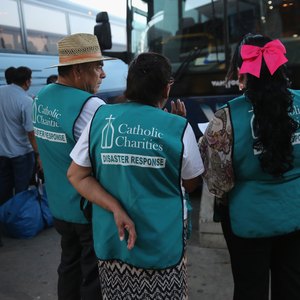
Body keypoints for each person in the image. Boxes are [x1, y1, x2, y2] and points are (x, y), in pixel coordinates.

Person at [67, 52, 204, 299]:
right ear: (166, 89)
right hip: (162, 245)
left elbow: (76, 175)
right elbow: (191, 183)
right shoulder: (178, 127)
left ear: (129, 85)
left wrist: (115, 208)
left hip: (113, 241)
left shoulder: (100, 118)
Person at [199, 33, 300, 300]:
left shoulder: (225, 118)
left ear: (243, 70)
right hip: (296, 214)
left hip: (248, 222)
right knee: (292, 286)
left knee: (249, 289)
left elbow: (218, 183)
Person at [33, 33, 112, 300]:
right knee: (93, 276)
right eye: (97, 66)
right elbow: (105, 161)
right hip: (87, 209)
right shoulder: (91, 106)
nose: (102, 74)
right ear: (79, 70)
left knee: (69, 267)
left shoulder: (42, 96)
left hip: (58, 206)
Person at [0, 66, 40, 203]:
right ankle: (18, 219)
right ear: (27, 82)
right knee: (21, 189)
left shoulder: (1, 91)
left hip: (2, 153)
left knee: (4, 188)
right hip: (22, 154)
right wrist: (38, 154)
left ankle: (4, 216)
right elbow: (31, 133)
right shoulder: (26, 101)